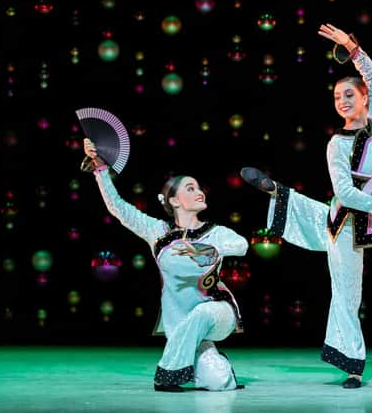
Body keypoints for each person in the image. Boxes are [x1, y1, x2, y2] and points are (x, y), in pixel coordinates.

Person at [240, 23, 372, 389]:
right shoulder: (336, 145)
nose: (343, 101)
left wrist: (352, 47)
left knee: (323, 218)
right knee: (347, 290)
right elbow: (347, 195)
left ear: (365, 98)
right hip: (347, 221)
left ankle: (280, 194)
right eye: (337, 97)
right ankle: (351, 363)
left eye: (349, 94)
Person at [83, 138, 248, 392]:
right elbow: (119, 208)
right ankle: (207, 360)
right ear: (173, 201)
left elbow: (241, 245)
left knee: (202, 313)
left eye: (199, 187)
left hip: (218, 313)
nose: (199, 191)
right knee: (218, 381)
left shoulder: (215, 232)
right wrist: (101, 169)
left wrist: (204, 248)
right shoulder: (158, 232)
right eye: (190, 188)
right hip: (181, 327)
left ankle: (166, 375)